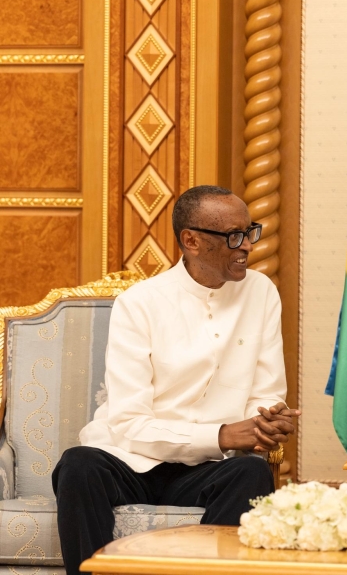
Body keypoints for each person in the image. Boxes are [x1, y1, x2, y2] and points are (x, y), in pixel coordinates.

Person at [51, 185, 301, 575]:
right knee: (78, 465)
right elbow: (129, 421)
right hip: (131, 460)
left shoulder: (262, 293)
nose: (247, 247)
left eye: (250, 231)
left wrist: (267, 420)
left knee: (250, 472)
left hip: (206, 469)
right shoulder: (140, 303)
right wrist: (221, 434)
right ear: (192, 241)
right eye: (234, 236)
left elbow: (266, 393)